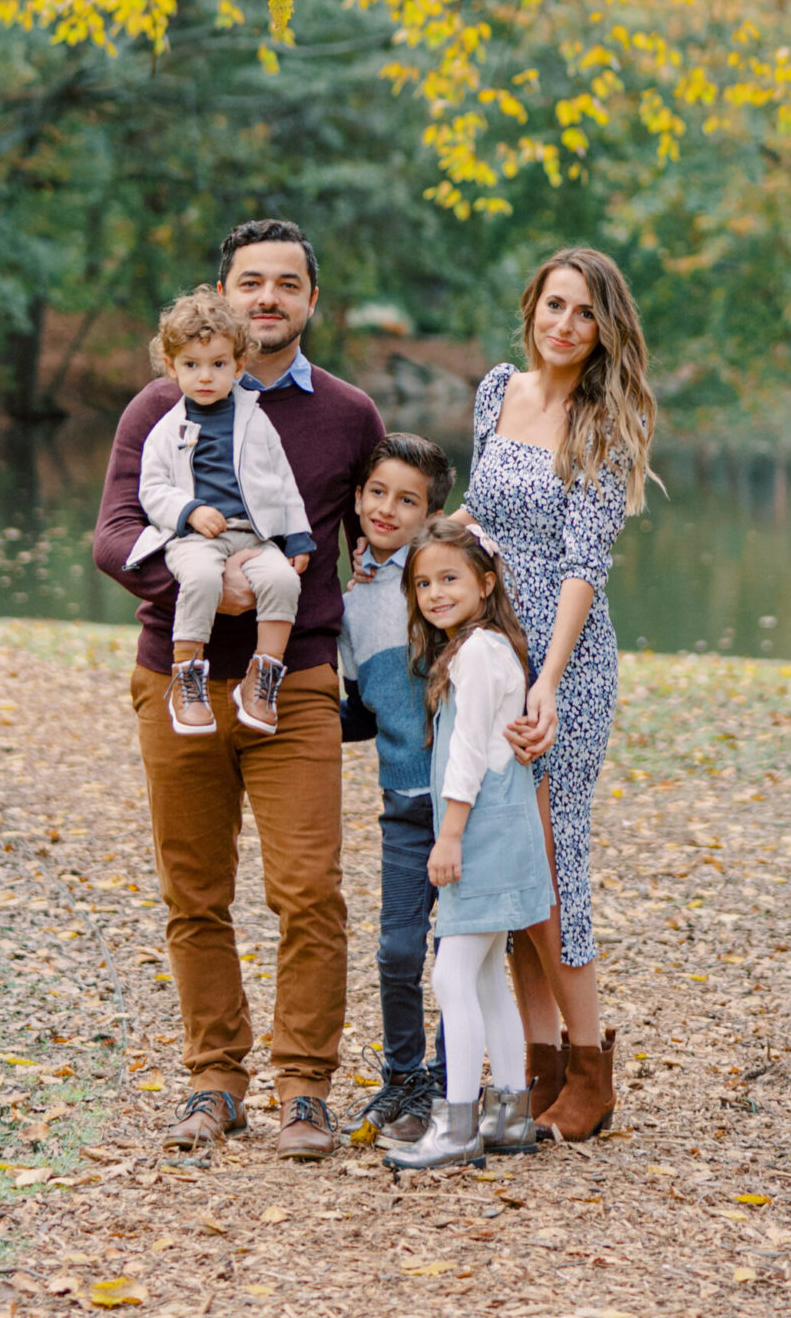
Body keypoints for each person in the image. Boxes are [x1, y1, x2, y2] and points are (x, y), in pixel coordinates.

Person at [92, 219, 384, 1161]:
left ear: (311, 301)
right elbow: (112, 535)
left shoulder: (348, 417)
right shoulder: (158, 409)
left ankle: (304, 1089)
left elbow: (374, 551)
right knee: (195, 892)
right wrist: (200, 586)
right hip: (174, 679)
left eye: (287, 284)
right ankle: (215, 1082)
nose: (268, 298)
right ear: (221, 295)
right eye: (250, 282)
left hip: (294, 682)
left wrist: (396, 669)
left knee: (309, 891)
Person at [464, 245, 654, 1143]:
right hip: (490, 648)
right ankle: (539, 1070)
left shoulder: (602, 423)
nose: (565, 325)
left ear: (603, 329)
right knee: (506, 861)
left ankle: (590, 1067)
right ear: (531, 307)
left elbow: (584, 564)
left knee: (548, 857)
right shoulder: (498, 389)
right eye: (554, 305)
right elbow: (478, 516)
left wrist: (545, 678)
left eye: (584, 313)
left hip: (562, 664)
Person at [381, 516, 552, 1172]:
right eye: (423, 583)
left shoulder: (479, 653)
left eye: (449, 578)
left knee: (452, 974)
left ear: (486, 582)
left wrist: (446, 837)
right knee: (484, 979)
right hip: (502, 828)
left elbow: (471, 755)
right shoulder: (486, 648)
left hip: (481, 831)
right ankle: (510, 1112)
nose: (434, 593)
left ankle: (457, 1129)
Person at [338, 431, 455, 1143]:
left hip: (469, 804)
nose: (387, 509)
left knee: (463, 953)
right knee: (397, 951)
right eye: (376, 493)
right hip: (403, 804)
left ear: (430, 514)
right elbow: (358, 711)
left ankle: (455, 1080)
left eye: (407, 500)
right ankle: (405, 1080)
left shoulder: (441, 579)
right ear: (356, 499)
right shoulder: (351, 599)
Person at [130, 287, 313, 738]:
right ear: (172, 368)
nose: (205, 376)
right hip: (195, 540)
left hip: (253, 537)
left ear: (238, 366)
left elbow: (283, 480)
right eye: (192, 365)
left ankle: (263, 678)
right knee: (202, 579)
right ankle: (187, 677)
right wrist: (189, 510)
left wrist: (298, 535)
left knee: (283, 581)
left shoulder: (254, 420)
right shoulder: (166, 428)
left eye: (218, 365)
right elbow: (151, 489)